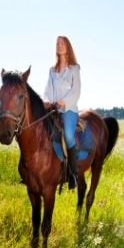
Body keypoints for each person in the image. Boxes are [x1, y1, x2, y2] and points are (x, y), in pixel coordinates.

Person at [43, 35, 81, 189]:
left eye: (62, 43)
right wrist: (47, 101)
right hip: (53, 109)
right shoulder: (52, 70)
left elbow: (76, 90)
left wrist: (63, 103)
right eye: (57, 44)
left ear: (68, 47)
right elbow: (48, 89)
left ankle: (73, 174)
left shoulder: (74, 68)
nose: (59, 46)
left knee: (69, 135)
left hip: (68, 109)